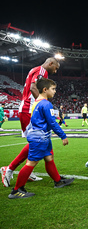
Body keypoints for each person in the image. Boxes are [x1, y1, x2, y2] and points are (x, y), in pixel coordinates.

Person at [8, 78, 74, 199]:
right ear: (45, 89)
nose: (55, 91)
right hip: (40, 137)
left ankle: (58, 181)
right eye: (53, 89)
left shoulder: (37, 102)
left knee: (49, 158)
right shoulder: (46, 103)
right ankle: (16, 190)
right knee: (31, 162)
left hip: (41, 135)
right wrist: (63, 136)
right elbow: (52, 122)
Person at [1, 57, 60, 187]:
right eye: (55, 68)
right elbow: (34, 87)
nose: (55, 71)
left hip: (28, 109)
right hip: (30, 111)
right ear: (50, 63)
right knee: (37, 142)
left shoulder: (36, 69)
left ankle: (28, 171)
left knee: (37, 143)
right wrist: (43, 105)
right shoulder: (42, 71)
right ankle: (9, 169)